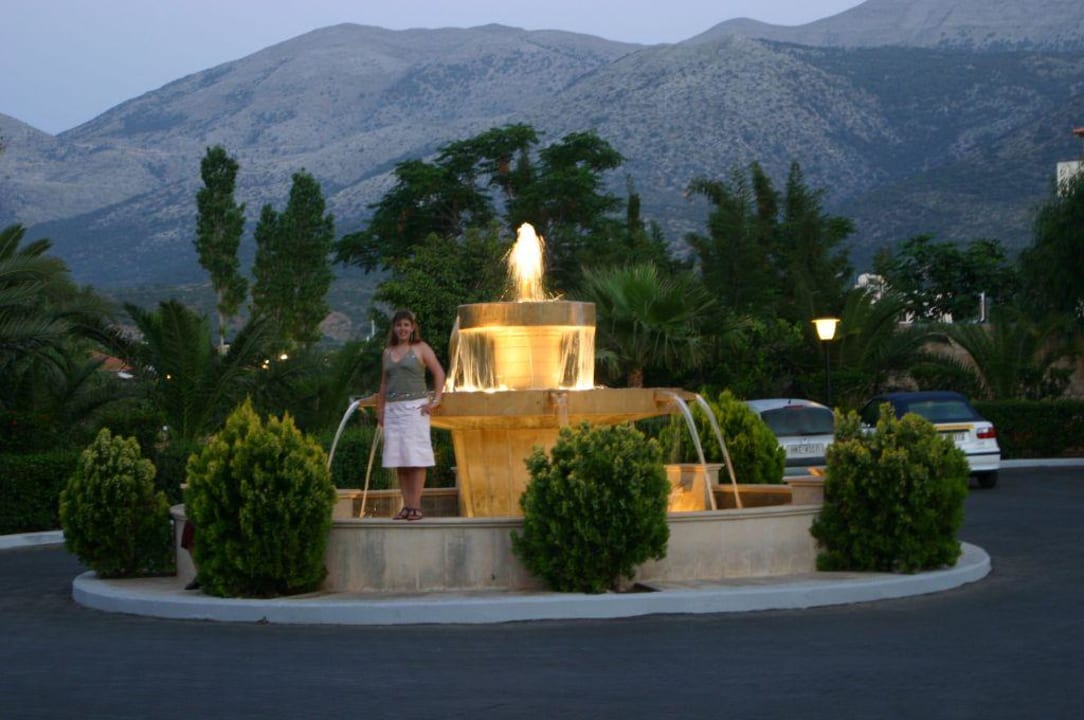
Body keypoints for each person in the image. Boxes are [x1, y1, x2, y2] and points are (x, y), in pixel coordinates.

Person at [376, 309, 446, 521]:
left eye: (406, 325)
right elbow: (384, 383)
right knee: (400, 460)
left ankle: (415, 506)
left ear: (413, 327)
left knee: (416, 459)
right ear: (394, 328)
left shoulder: (421, 348)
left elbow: (439, 373)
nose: (403, 329)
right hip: (393, 410)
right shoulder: (387, 352)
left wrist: (436, 400)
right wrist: (380, 410)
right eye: (399, 325)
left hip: (415, 408)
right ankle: (406, 506)